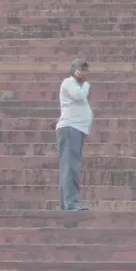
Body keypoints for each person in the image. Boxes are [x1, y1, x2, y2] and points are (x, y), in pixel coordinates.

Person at [56, 59, 92, 211]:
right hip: (71, 128)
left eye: (86, 69)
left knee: (70, 166)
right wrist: (86, 84)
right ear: (75, 71)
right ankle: (71, 203)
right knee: (71, 167)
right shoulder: (70, 82)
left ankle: (67, 204)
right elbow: (79, 97)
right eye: (82, 69)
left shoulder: (76, 85)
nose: (85, 73)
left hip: (75, 128)